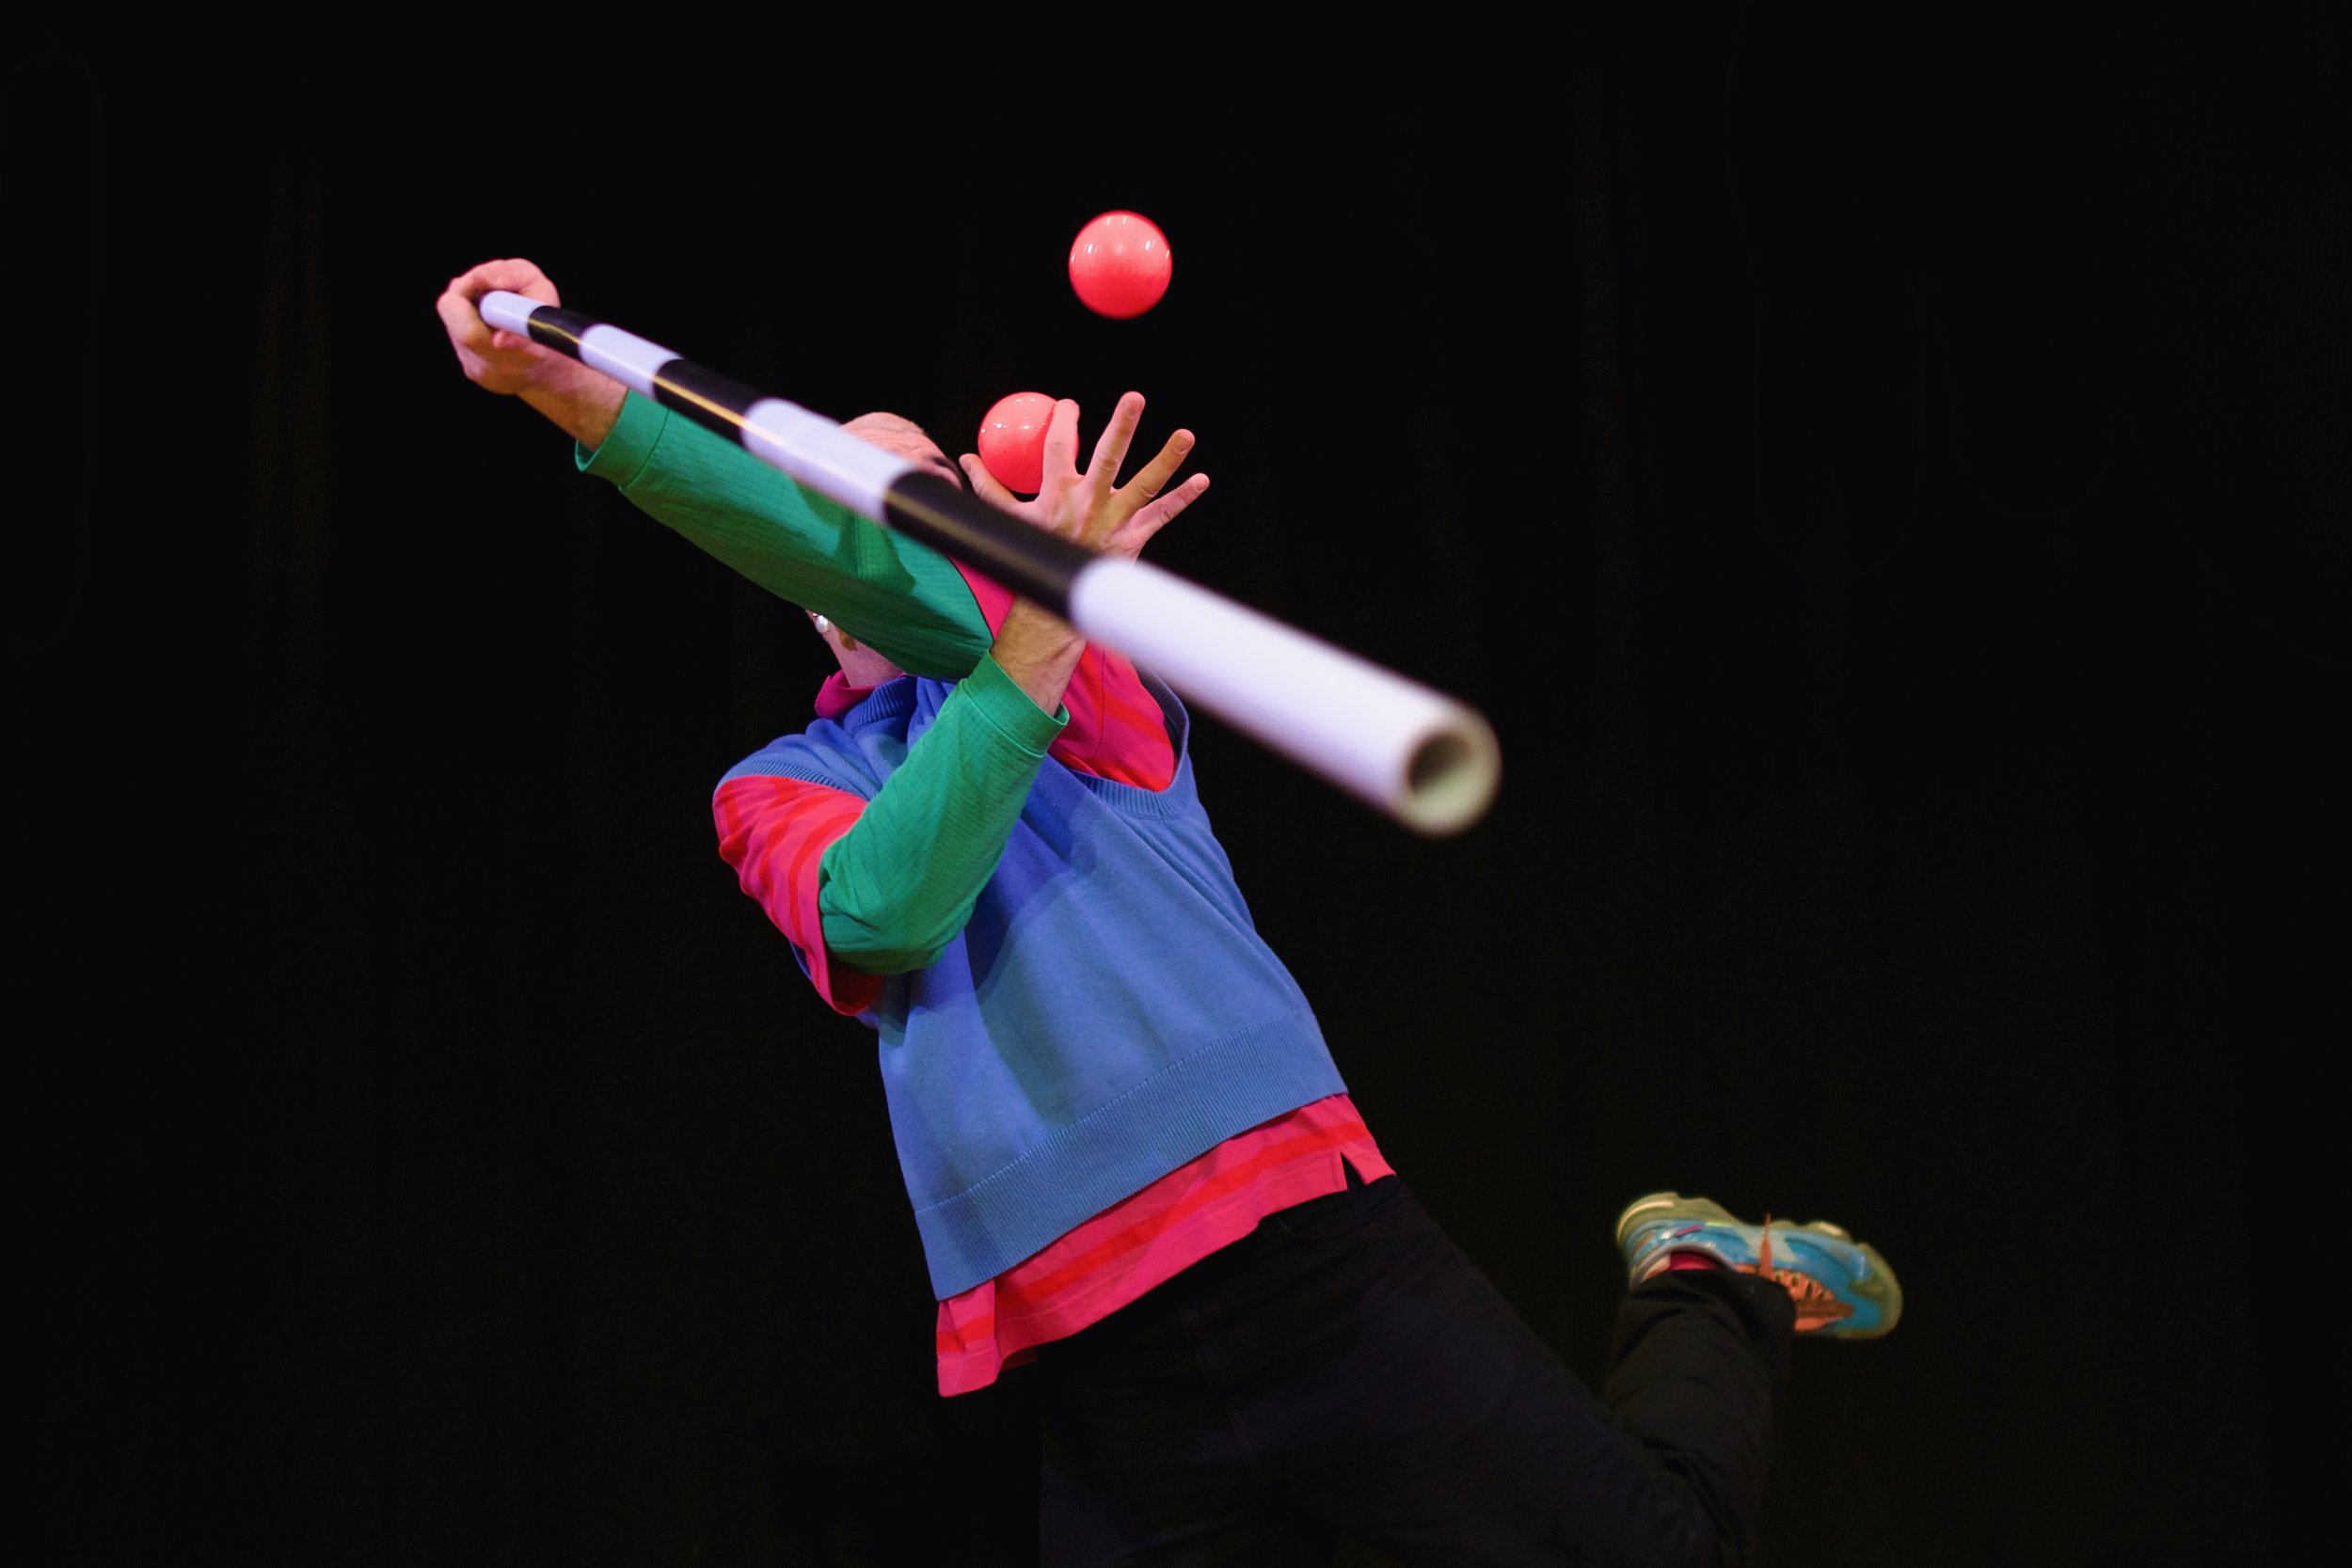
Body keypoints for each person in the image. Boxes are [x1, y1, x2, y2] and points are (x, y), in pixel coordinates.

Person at [437, 256, 1903, 1566]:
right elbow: (880, 915)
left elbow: (927, 601)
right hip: (1082, 1356)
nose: (860, 526)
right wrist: (574, 398)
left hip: (1307, 1263)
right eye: (820, 495)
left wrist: (1033, 636)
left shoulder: (1100, 674)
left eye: (913, 493)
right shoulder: (772, 783)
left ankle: (1708, 1279)